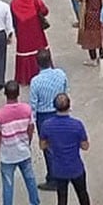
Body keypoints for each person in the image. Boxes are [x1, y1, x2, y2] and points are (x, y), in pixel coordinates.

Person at [38, 92, 96, 205]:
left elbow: (42, 145)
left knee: (62, 201)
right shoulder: (76, 125)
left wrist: (53, 145)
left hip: (58, 168)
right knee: (82, 192)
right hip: (75, 166)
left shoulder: (47, 125)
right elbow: (85, 146)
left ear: (54, 107)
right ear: (69, 106)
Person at [0, 81, 42, 205]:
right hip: (23, 151)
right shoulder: (26, 109)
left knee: (8, 185)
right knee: (30, 179)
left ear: (5, 94)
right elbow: (31, 127)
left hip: (7, 154)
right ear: (18, 94)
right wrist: (28, 141)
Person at [28, 49, 69, 186]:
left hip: (44, 116)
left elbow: (33, 104)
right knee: (62, 143)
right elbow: (65, 92)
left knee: (48, 148)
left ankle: (53, 178)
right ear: (50, 60)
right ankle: (64, 171)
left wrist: (32, 122)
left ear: (37, 64)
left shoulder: (35, 81)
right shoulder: (60, 74)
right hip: (60, 111)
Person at [10, 0, 50, 85]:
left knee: (25, 52)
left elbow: (13, 19)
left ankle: (25, 77)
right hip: (36, 30)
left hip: (23, 33)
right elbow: (45, 11)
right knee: (39, 49)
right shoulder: (35, 0)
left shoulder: (14, 3)